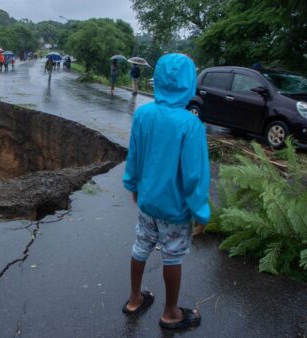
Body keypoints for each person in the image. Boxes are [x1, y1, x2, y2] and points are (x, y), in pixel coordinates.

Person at [122, 53, 209, 330]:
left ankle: (135, 299)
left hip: (148, 202)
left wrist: (134, 187)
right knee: (172, 255)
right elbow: (194, 175)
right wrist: (200, 211)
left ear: (157, 78)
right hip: (175, 208)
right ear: (188, 82)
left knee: (141, 246)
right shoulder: (190, 124)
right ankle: (171, 312)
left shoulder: (143, 114)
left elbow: (134, 155)